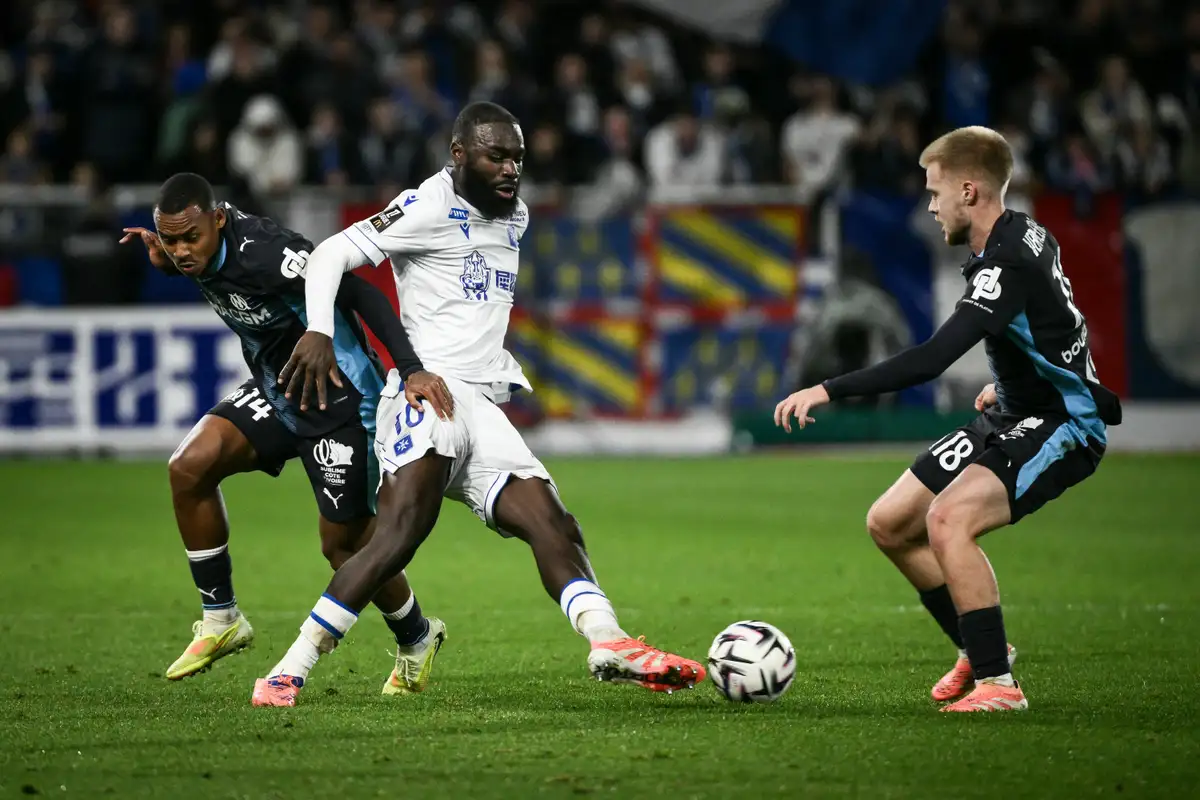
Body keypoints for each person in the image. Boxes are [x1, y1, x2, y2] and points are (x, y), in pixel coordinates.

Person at [250, 102, 705, 707]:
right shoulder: (426, 205)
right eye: (497, 156)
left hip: (483, 403)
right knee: (400, 533)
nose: (511, 169)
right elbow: (332, 254)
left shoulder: (510, 213)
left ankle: (610, 641)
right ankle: (291, 667)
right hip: (429, 394)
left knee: (554, 522)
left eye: (518, 157)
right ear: (458, 155)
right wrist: (320, 332)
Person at [774, 126, 1122, 713]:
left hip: (1061, 423)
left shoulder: (1006, 259)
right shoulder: (1022, 236)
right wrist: (1010, 383)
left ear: (969, 191)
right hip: (1016, 407)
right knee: (889, 522)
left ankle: (998, 686)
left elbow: (932, 360)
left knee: (947, 520)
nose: (930, 206)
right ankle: (980, 644)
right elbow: (1058, 321)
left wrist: (828, 389)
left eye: (935, 193)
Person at [120, 173, 454, 693]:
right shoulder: (198, 252)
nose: (182, 250)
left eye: (190, 239)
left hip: (341, 400)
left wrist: (409, 367)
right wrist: (171, 263)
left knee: (344, 547)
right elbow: (208, 269)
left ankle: (416, 636)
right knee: (189, 467)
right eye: (170, 241)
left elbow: (362, 293)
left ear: (219, 220)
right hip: (279, 391)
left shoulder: (268, 254)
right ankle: (221, 619)